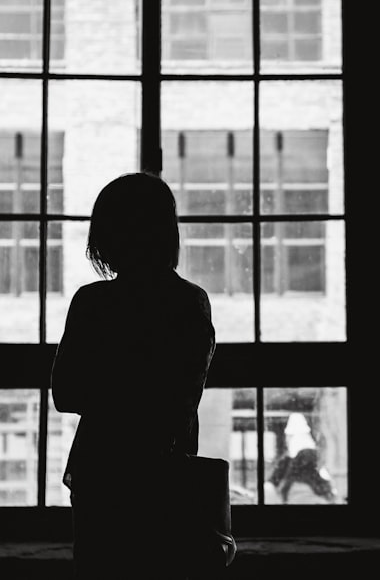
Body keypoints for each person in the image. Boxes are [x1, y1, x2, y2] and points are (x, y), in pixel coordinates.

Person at [51, 172, 217, 578]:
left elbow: (66, 394)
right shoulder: (189, 304)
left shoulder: (92, 304)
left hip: (102, 475)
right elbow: (180, 397)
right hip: (166, 477)